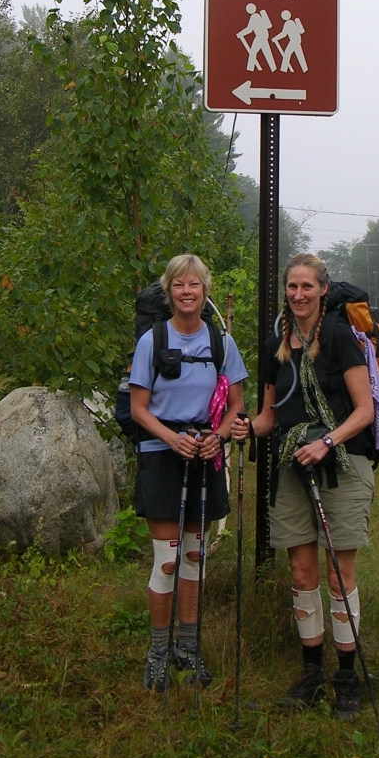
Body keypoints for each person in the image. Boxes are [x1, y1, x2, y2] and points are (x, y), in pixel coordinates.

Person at [231, 253, 375, 720]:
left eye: (307, 287)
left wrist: (326, 441)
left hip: (343, 463)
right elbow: (271, 417)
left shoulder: (338, 337)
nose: (298, 295)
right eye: (292, 287)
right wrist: (245, 429)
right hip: (291, 464)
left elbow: (364, 411)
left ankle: (347, 677)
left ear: (322, 291)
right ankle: (311, 672)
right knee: (300, 573)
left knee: (338, 573)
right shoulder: (278, 342)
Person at [130, 254, 247, 692]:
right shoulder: (152, 341)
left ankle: (189, 648)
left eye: (194, 284)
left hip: (204, 454)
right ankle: (158, 654)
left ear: (205, 291)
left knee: (195, 557)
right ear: (169, 292)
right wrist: (171, 438)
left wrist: (218, 436)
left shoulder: (221, 343)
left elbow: (236, 403)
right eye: (178, 285)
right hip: (163, 454)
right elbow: (139, 408)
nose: (186, 292)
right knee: (167, 560)